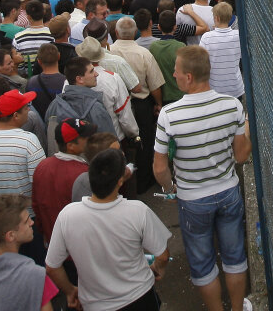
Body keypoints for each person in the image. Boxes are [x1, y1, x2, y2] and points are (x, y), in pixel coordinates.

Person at [153, 46, 251, 311]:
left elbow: (160, 167)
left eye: (176, 70)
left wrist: (170, 189)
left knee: (203, 262)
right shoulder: (232, 105)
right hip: (229, 192)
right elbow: (241, 156)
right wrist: (246, 126)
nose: (173, 74)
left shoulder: (169, 115)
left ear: (189, 77)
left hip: (192, 199)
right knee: (234, 257)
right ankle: (238, 308)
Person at [47, 147, 171, 311]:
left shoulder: (67, 215)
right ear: (120, 181)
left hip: (95, 304)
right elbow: (162, 255)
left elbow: (52, 266)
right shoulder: (137, 211)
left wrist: (70, 291)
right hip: (140, 297)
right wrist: (156, 269)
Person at [33, 117, 95, 245]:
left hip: (52, 241)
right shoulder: (83, 173)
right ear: (71, 146)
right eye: (85, 137)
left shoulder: (42, 167)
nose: (89, 139)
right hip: (79, 246)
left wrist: (44, 233)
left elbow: (37, 205)